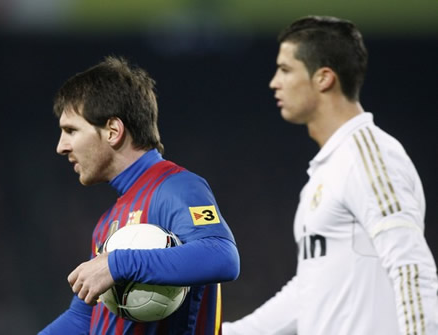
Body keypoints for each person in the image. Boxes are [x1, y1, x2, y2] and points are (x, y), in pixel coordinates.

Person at [223, 15, 438, 335]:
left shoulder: (370, 157)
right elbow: (311, 291)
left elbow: (410, 267)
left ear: (323, 78)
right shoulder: (328, 170)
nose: (274, 82)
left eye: (285, 69)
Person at [38, 56, 240, 334]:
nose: (62, 146)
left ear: (113, 131)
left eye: (71, 130)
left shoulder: (177, 187)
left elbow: (222, 256)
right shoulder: (107, 223)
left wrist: (117, 263)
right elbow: (84, 318)